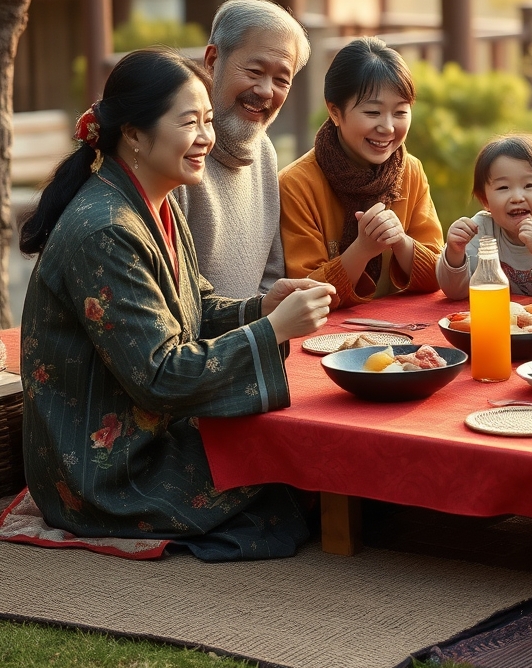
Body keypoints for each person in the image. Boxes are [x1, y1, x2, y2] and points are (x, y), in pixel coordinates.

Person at [18, 49, 335, 560]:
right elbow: (159, 375)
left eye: (208, 120)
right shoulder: (106, 230)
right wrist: (272, 329)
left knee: (304, 457)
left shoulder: (150, 198)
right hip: (104, 472)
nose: (207, 137)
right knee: (299, 474)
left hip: (146, 430)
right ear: (135, 134)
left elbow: (194, 304)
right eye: (190, 122)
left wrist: (259, 308)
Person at [278, 37, 443, 307]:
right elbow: (305, 294)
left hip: (403, 328)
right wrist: (363, 249)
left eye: (400, 112)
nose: (388, 127)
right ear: (335, 112)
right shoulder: (297, 183)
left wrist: (400, 241)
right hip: (329, 337)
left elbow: (439, 273)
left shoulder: (410, 170)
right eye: (373, 112)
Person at [175, 0, 309, 300]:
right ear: (212, 61)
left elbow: (272, 276)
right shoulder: (177, 152)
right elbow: (175, 295)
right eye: (254, 71)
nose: (265, 90)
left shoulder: (264, 150)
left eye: (281, 80)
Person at [436, 134, 532, 303]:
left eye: (529, 185)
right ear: (485, 200)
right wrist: (455, 254)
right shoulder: (481, 231)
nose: (517, 197)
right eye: (503, 187)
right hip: (502, 321)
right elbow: (455, 293)